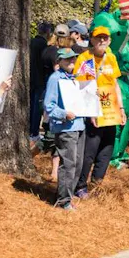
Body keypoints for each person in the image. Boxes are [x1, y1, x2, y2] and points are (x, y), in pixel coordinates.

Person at [73, 23, 124, 195]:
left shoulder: (111, 58)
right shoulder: (85, 58)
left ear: (109, 40)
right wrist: (91, 111)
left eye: (105, 37)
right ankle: (80, 185)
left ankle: (97, 184)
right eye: (99, 37)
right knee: (89, 151)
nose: (102, 40)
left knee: (107, 149)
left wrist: (122, 108)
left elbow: (115, 84)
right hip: (92, 111)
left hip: (111, 110)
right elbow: (82, 86)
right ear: (92, 40)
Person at [43, 48, 85, 209]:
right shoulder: (55, 79)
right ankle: (63, 201)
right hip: (65, 127)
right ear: (59, 61)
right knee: (68, 164)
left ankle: (67, 195)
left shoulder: (76, 78)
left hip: (80, 125)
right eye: (67, 60)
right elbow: (49, 105)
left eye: (73, 59)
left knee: (77, 164)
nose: (71, 62)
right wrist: (64, 114)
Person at [28, 21, 53, 138]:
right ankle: (34, 131)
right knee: (37, 107)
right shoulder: (43, 45)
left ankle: (29, 129)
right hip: (40, 79)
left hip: (29, 78)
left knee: (30, 104)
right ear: (48, 33)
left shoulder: (31, 42)